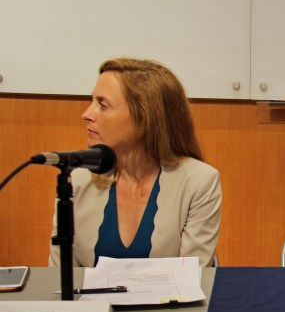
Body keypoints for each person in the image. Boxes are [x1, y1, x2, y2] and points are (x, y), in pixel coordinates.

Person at [49, 58, 222, 267]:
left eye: (102, 105)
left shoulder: (198, 181)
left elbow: (193, 279)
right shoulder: (78, 179)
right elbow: (59, 279)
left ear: (145, 117)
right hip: (90, 302)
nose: (86, 114)